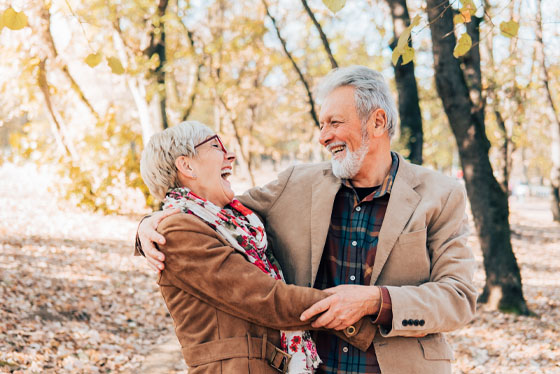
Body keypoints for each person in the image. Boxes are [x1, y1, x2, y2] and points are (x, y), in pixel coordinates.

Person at [137, 66, 477, 374]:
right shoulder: (296, 184)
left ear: (377, 122)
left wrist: (376, 300)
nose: (323, 136)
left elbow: (458, 298)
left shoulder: (442, 194)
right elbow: (211, 212)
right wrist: (147, 225)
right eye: (321, 124)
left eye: (335, 123)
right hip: (312, 367)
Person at [138, 120, 377, 374]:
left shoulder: (235, 222)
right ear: (187, 165)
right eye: (216, 145)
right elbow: (266, 298)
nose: (230, 154)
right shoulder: (178, 232)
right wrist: (355, 312)